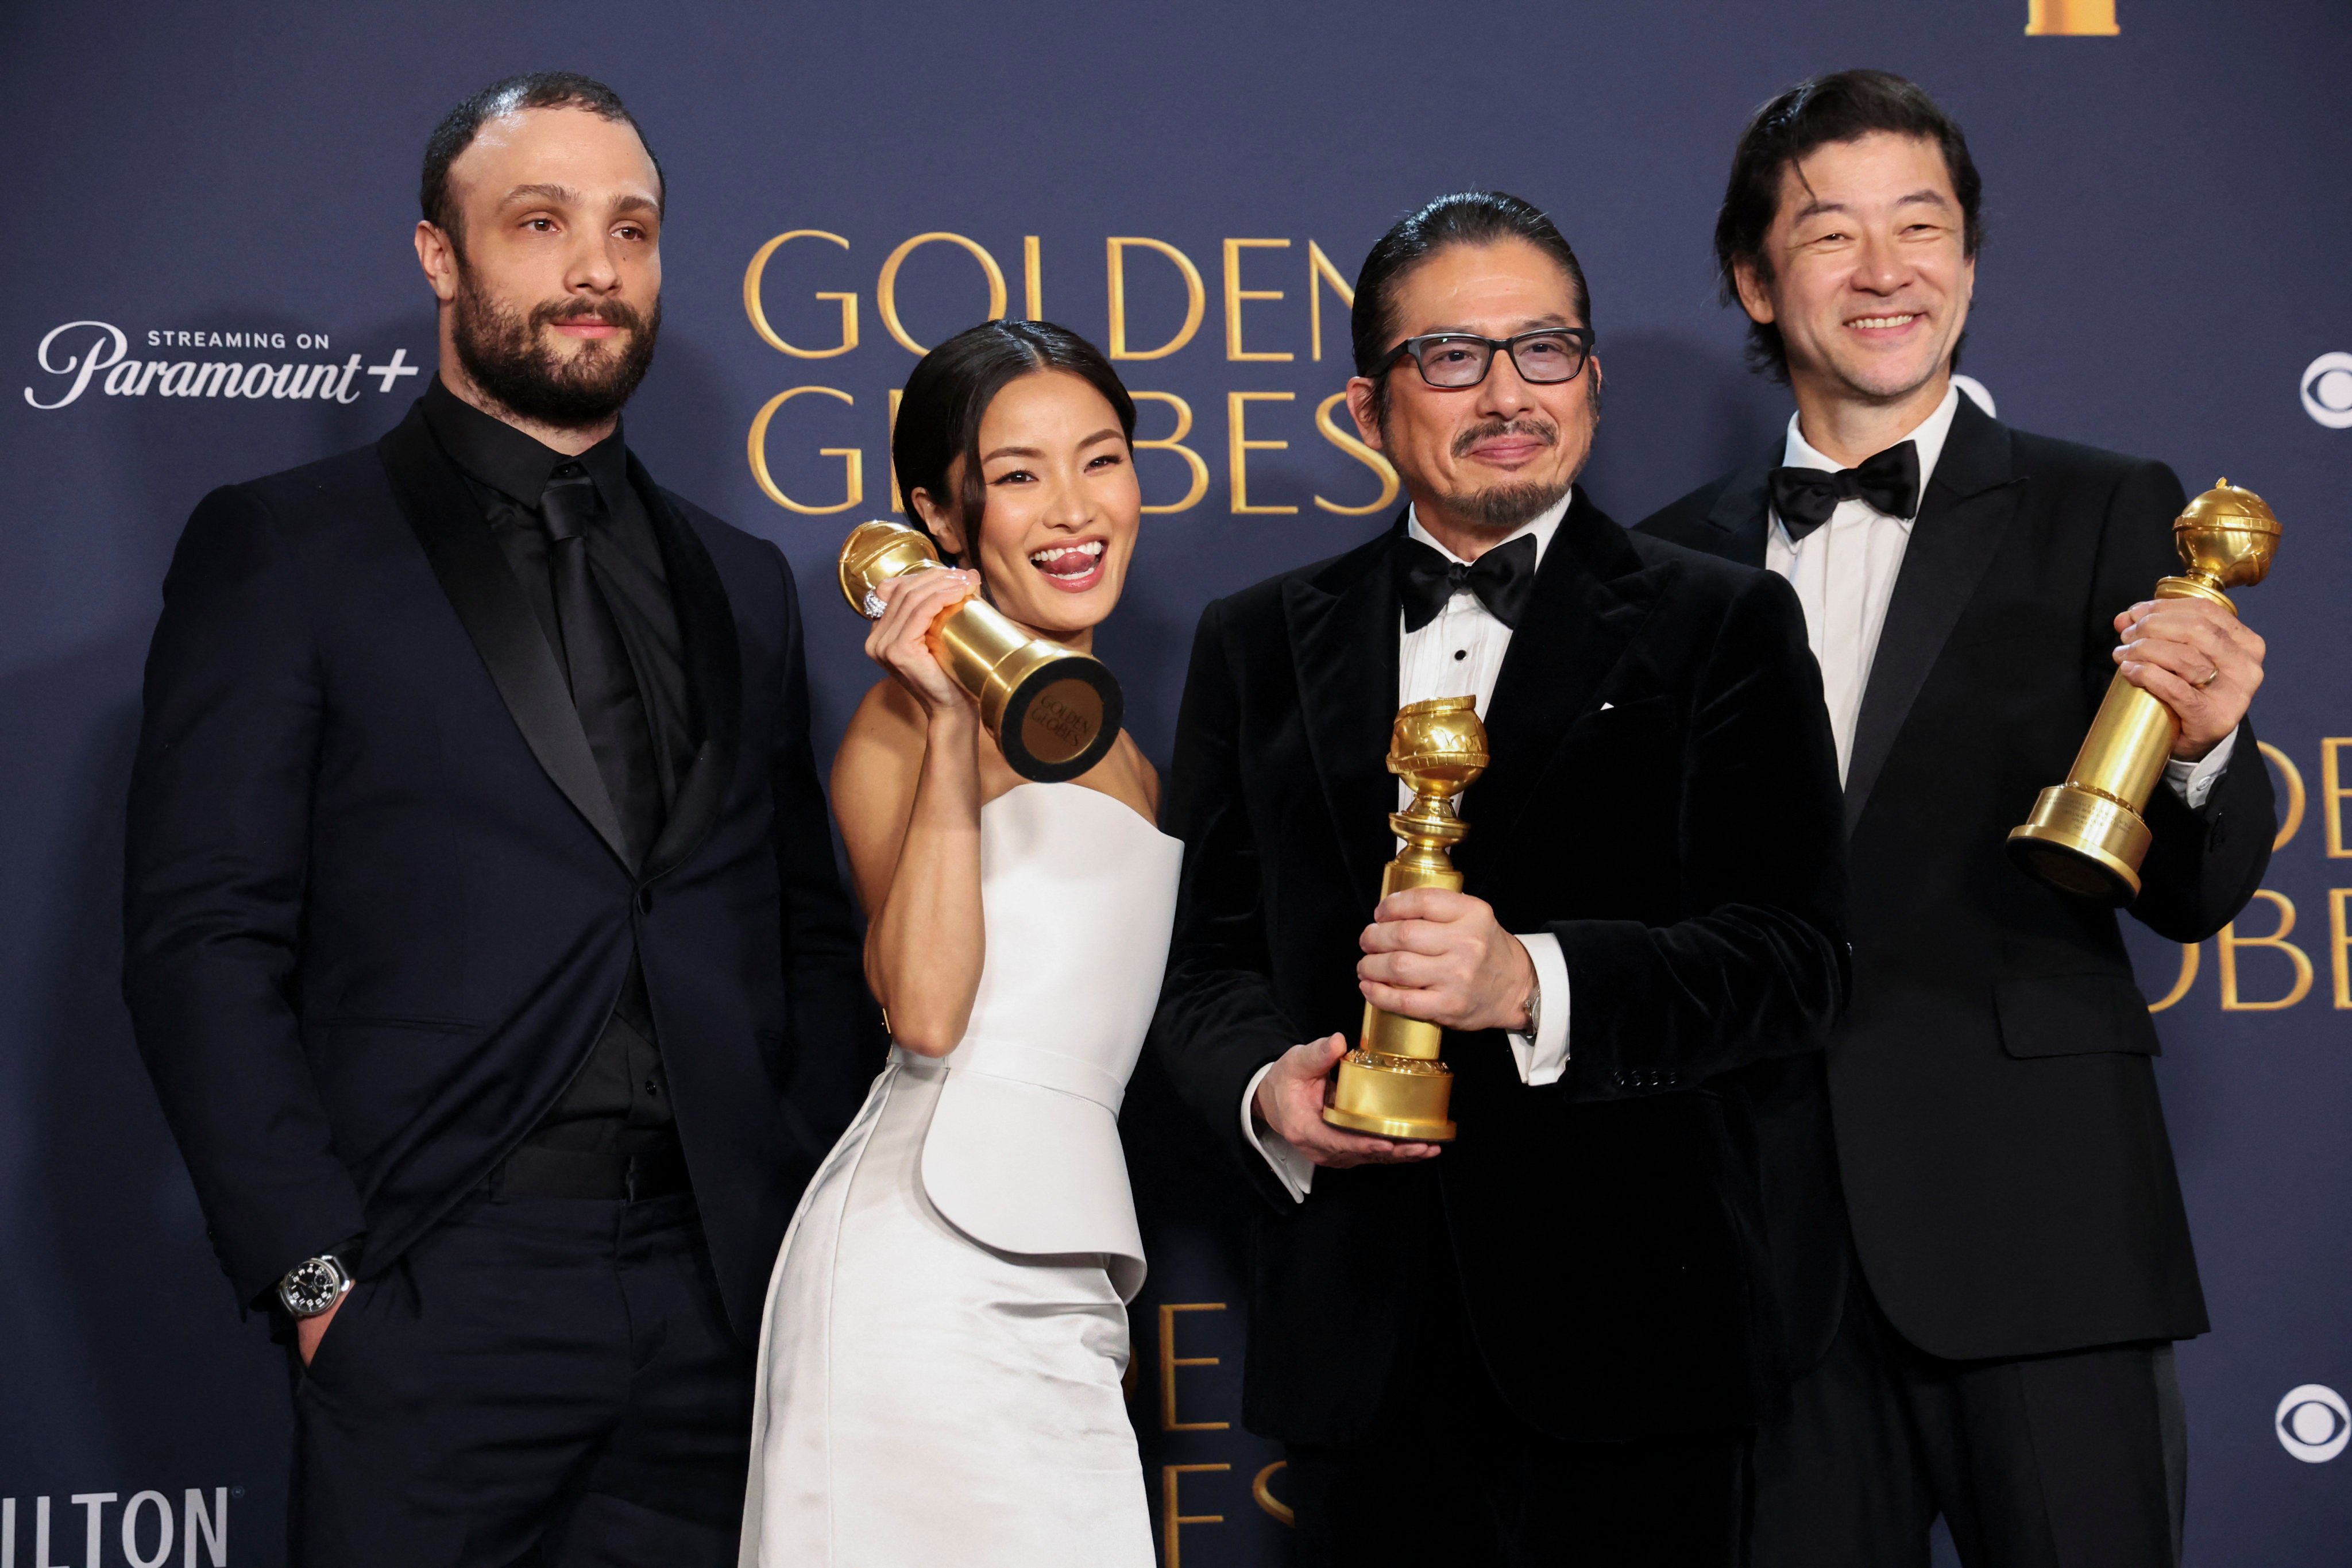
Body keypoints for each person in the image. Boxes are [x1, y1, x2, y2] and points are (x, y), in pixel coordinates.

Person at [121, 73, 872, 1566]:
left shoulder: (742, 578)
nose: (596, 269)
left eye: (632, 229)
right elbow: (202, 938)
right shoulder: (285, 549)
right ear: (440, 258)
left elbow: (797, 927)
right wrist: (320, 1279)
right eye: (540, 223)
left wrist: (781, 1219)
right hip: (434, 1295)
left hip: (717, 1306)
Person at [1151, 191, 1849, 1566]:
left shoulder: (1723, 619)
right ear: (1366, 405)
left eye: (1542, 350)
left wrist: (1531, 979)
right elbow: (1199, 967)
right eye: (1450, 358)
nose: (1505, 393)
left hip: (1635, 1338)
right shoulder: (1252, 642)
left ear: (1590, 381)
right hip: (1358, 1340)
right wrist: (1262, 1090)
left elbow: (1795, 959)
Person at [1640, 70, 2276, 1568]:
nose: (1885, 271)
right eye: (1831, 233)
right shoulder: (1661, 566)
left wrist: (2203, 751)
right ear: (1752, 274)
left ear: (1971, 263)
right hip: (1764, 1266)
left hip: (2042, 1233)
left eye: (1921, 227)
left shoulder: (2113, 507)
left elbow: (2194, 886)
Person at [739, 319, 1167, 1568]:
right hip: (922, 1283)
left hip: (1065, 1276)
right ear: (938, 513)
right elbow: (923, 1013)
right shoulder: (894, 726)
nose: (1073, 509)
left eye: (1100, 459)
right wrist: (941, 727)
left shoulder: (1125, 737)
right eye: (1019, 473)